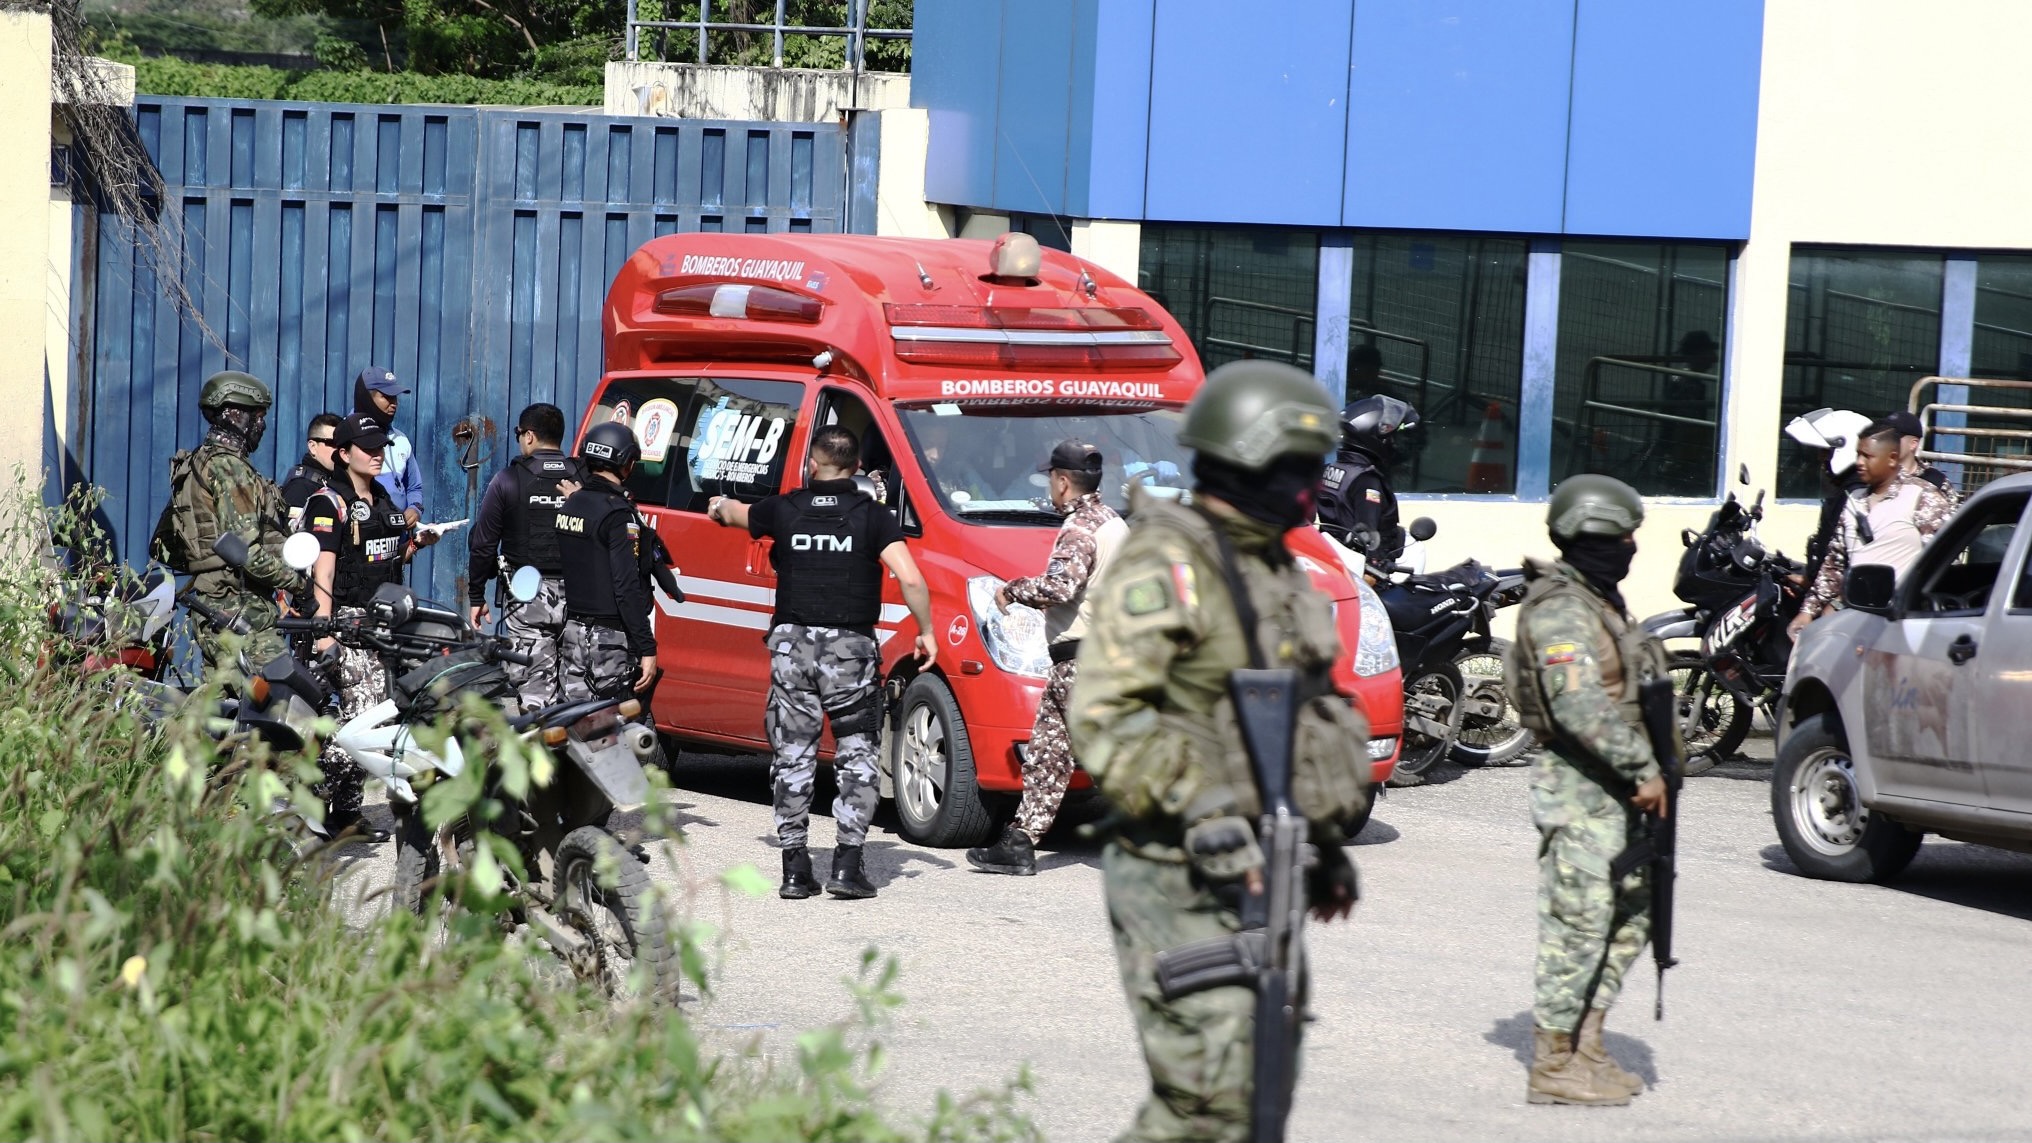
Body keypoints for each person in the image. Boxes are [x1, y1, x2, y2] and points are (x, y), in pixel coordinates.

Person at [1069, 361, 1372, 1142]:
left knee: (1254, 1087)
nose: (1313, 488)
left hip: (1264, 867)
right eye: (1299, 469)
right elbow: (1106, 718)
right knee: (1210, 1100)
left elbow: (1297, 721)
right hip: (1178, 871)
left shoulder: (1276, 568)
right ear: (1247, 460)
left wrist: (1325, 847)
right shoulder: (1169, 564)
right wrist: (1207, 814)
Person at [707, 426, 936, 901]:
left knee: (793, 755)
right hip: (849, 651)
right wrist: (926, 631)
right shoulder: (873, 517)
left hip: (791, 647)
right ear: (855, 469)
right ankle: (847, 869)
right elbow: (911, 578)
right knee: (856, 755)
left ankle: (794, 870)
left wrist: (716, 505)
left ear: (812, 464)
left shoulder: (784, 508)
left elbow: (731, 513)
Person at [1505, 473, 1670, 1106]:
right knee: (1577, 929)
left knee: (1632, 919)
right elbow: (1578, 707)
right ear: (1598, 533)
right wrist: (1642, 769)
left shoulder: (1600, 600)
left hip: (1621, 795)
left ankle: (1587, 1047)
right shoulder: (1562, 609)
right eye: (1625, 533)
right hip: (1583, 795)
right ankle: (1551, 1067)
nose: (1632, 544)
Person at [966, 439, 1129, 876]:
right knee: (1048, 753)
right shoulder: (1113, 522)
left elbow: (1060, 587)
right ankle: (1019, 842)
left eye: (1050, 479)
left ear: (1061, 481)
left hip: (1086, 660)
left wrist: (1012, 589)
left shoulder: (1080, 528)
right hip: (1092, 659)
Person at [302, 411, 439, 839]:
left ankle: (347, 816)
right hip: (345, 625)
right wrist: (323, 632)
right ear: (343, 454)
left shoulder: (381, 499)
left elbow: (384, 561)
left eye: (382, 448)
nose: (378, 455)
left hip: (382, 628)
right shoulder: (329, 502)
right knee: (362, 726)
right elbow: (321, 572)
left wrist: (416, 542)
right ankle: (307, 801)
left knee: (376, 722)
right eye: (368, 449)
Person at [149, 370, 307, 670]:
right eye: (257, 416)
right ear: (233, 415)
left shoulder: (197, 462)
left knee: (219, 711)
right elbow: (248, 554)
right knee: (282, 701)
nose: (262, 425)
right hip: (239, 608)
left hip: (211, 606)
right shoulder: (230, 469)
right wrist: (300, 586)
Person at [468, 403, 585, 710]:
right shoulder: (582, 479)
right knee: (578, 691)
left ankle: (537, 755)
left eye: (520, 434)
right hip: (581, 596)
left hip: (527, 596)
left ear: (529, 436)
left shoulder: (508, 479)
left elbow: (483, 544)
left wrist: (476, 595)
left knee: (534, 692)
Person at [1789, 421, 1955, 638]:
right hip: (1854, 618)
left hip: (1898, 625)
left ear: (1892, 458)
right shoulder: (1853, 500)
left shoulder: (1922, 497)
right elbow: (1834, 565)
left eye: (1867, 456)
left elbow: (1942, 563)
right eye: (1858, 454)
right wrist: (1807, 612)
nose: (1859, 462)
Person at [553, 422, 661, 708]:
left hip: (573, 633)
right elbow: (626, 587)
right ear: (627, 463)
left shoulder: (571, 505)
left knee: (573, 728)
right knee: (610, 732)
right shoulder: (617, 515)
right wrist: (647, 647)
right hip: (608, 640)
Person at [1315, 393, 1420, 564]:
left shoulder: (1330, 469)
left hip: (1332, 555)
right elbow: (1366, 533)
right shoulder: (1366, 480)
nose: (1394, 443)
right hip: (1366, 569)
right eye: (1391, 438)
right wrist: (1375, 569)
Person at [1783, 407, 1871, 600]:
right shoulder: (1846, 493)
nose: (1819, 458)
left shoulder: (1856, 499)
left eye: (1825, 451)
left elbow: (1849, 565)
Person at [353, 366, 424, 528]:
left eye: (396, 398)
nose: (394, 404)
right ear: (366, 398)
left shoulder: (401, 440)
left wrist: (415, 508)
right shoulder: (343, 436)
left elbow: (415, 487)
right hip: (360, 541)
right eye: (386, 397)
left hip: (398, 544)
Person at [1882, 409, 1960, 506]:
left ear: (1913, 444)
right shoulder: (1875, 475)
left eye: (1894, 437)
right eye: (1884, 437)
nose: (1887, 441)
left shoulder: (1936, 481)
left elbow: (1954, 516)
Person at [280, 412, 343, 529]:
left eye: (343, 444)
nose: (339, 450)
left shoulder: (335, 480)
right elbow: (292, 537)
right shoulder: (300, 487)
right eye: (333, 443)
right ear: (313, 447)